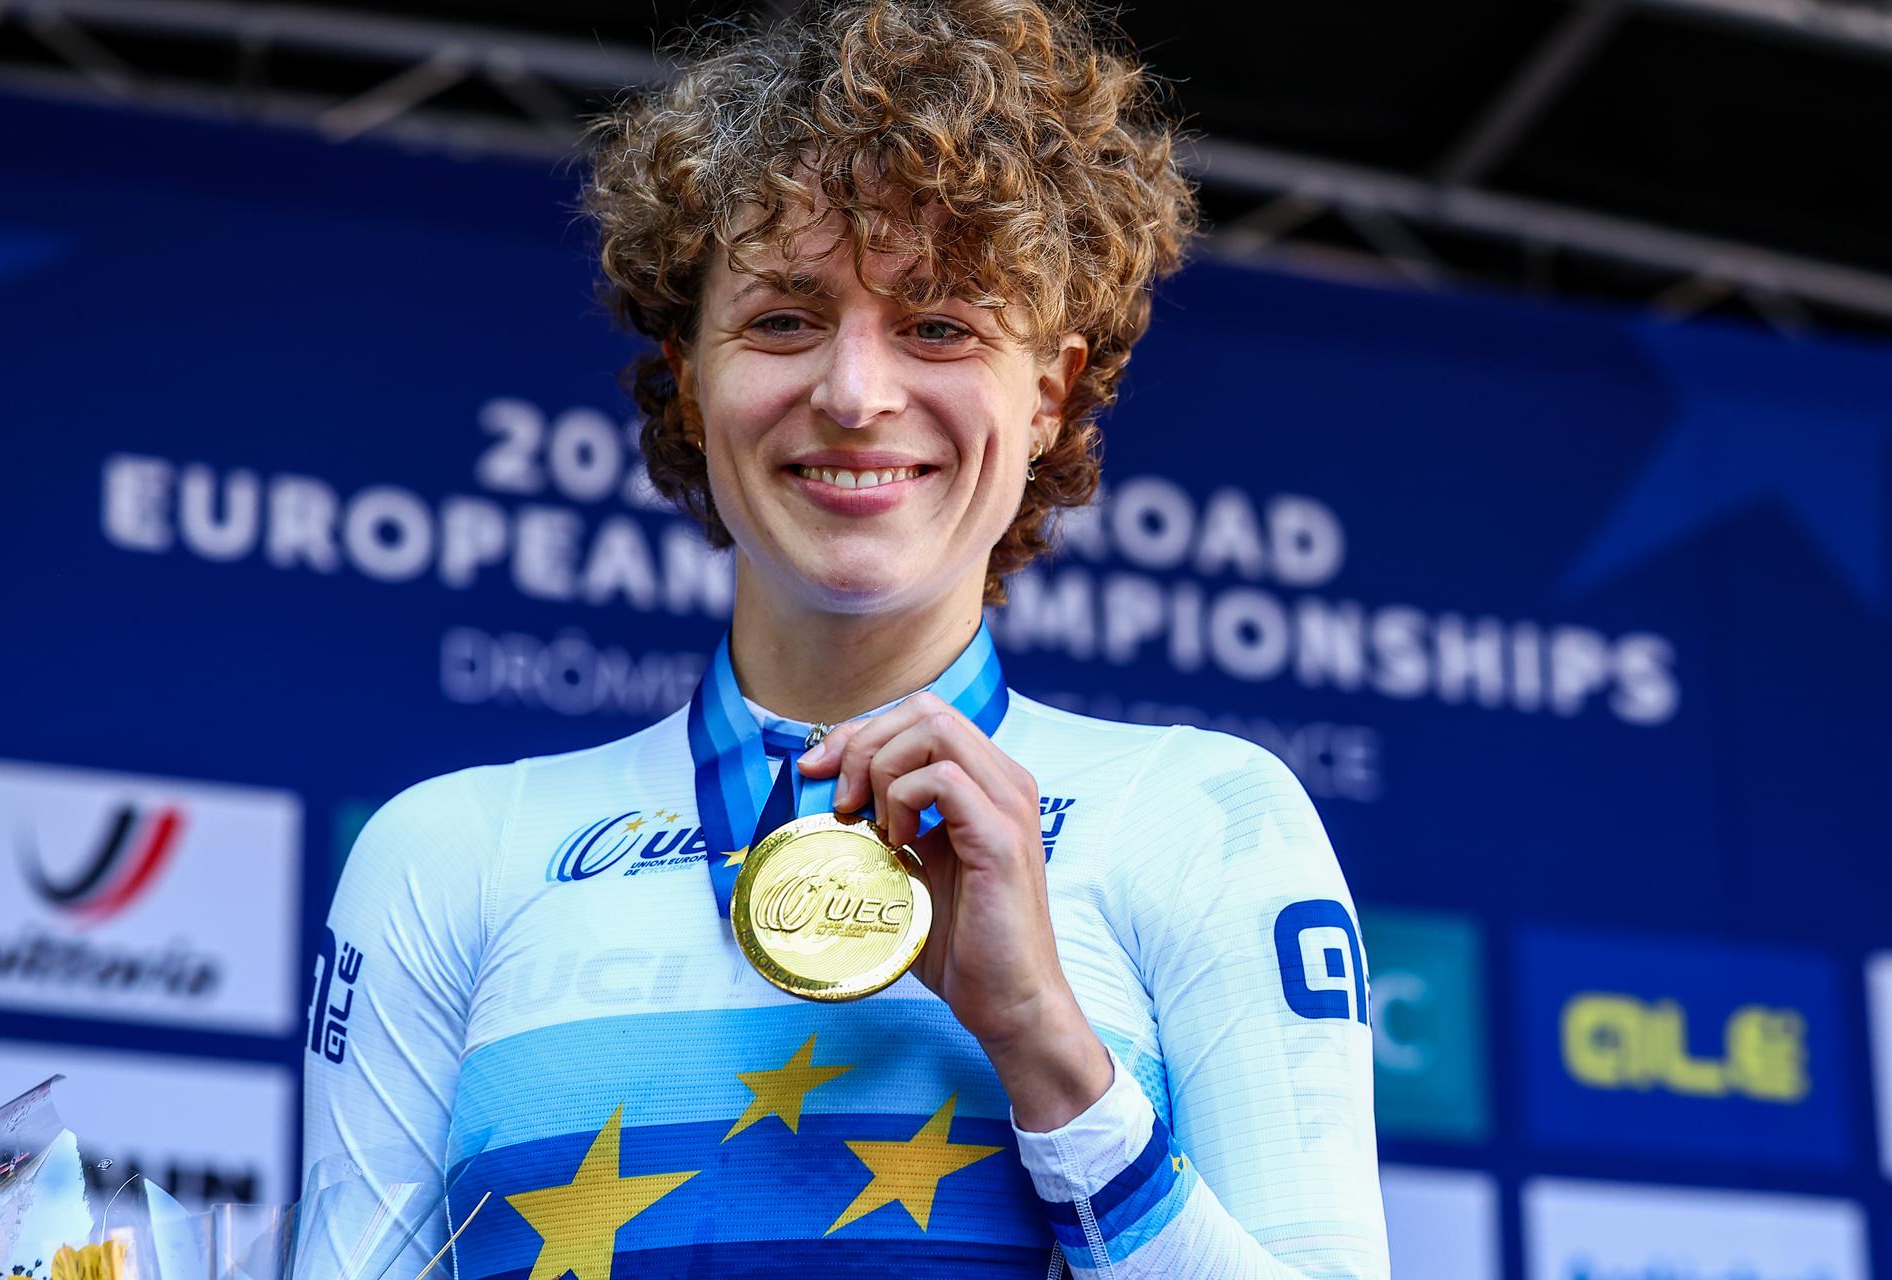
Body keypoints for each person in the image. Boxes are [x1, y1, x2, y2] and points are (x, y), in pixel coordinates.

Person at [302, 0, 1388, 1276]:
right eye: (783, 318)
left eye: (939, 325)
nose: (856, 393)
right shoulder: (448, 854)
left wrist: (1042, 1037)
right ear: (690, 373)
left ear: (1045, 395)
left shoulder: (1206, 820)